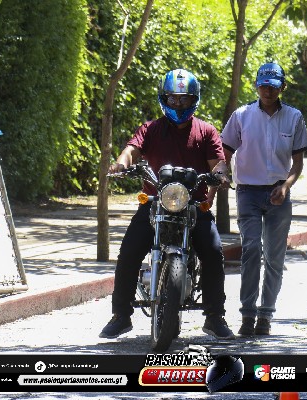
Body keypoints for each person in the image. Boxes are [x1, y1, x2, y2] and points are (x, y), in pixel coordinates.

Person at [99, 69, 235, 340]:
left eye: (184, 99)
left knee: (213, 252)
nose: (178, 104)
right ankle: (121, 315)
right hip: (155, 203)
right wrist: (121, 164)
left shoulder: (206, 131)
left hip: (193, 205)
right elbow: (131, 150)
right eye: (173, 99)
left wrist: (221, 175)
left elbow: (218, 163)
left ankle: (215, 317)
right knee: (129, 251)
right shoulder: (150, 129)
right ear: (164, 99)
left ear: (194, 100)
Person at [220, 62, 307, 336]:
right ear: (256, 86)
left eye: (273, 87)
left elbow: (298, 163)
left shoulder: (294, 117)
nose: (267, 91)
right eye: (263, 86)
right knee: (250, 250)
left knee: (274, 256)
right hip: (248, 192)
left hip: (278, 194)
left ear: (282, 88)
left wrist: (286, 186)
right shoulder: (242, 116)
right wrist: (223, 174)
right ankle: (247, 314)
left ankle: (265, 315)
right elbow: (225, 150)